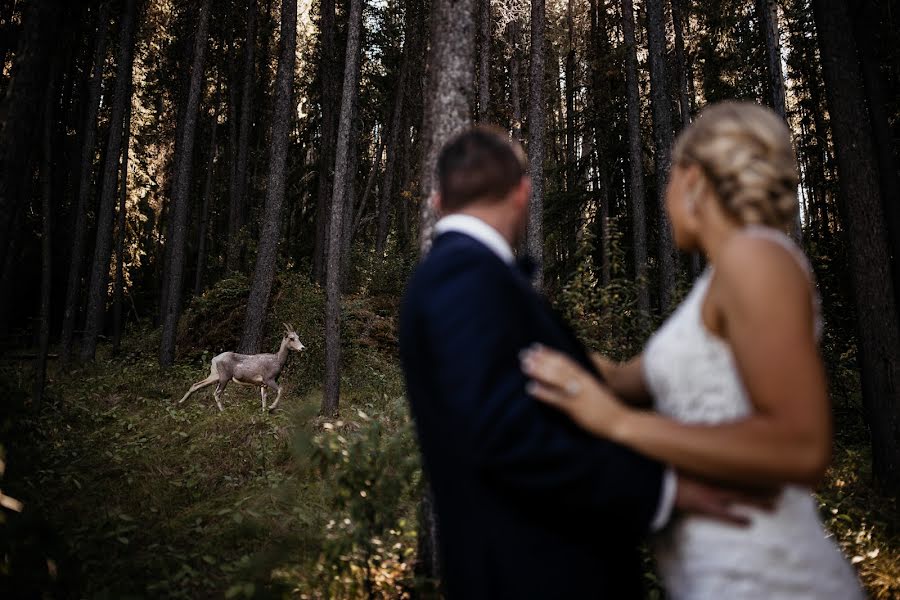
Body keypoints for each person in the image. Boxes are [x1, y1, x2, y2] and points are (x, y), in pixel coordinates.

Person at [400, 125, 765, 599]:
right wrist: (662, 491)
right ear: (522, 192)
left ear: (438, 201)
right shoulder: (464, 277)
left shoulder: (459, 276)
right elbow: (505, 433)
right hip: (537, 575)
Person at [521, 102, 863, 599]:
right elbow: (618, 381)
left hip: (769, 578)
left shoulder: (755, 256)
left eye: (669, 180)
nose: (664, 198)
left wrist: (621, 425)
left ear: (695, 180)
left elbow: (800, 445)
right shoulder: (720, 279)